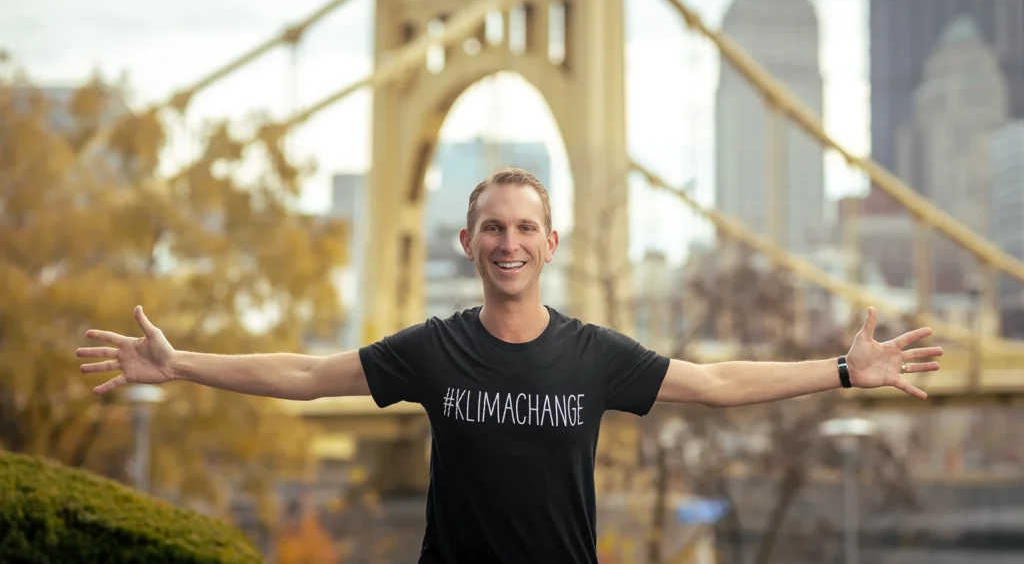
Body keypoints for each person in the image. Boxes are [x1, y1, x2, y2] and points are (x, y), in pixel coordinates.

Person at [77, 167, 942, 564]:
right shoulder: (433, 347)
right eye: (493, 226)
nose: (509, 241)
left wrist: (840, 368)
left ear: (550, 244)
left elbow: (715, 386)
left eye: (526, 227)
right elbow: (308, 375)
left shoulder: (594, 354)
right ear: (469, 242)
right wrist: (181, 363)